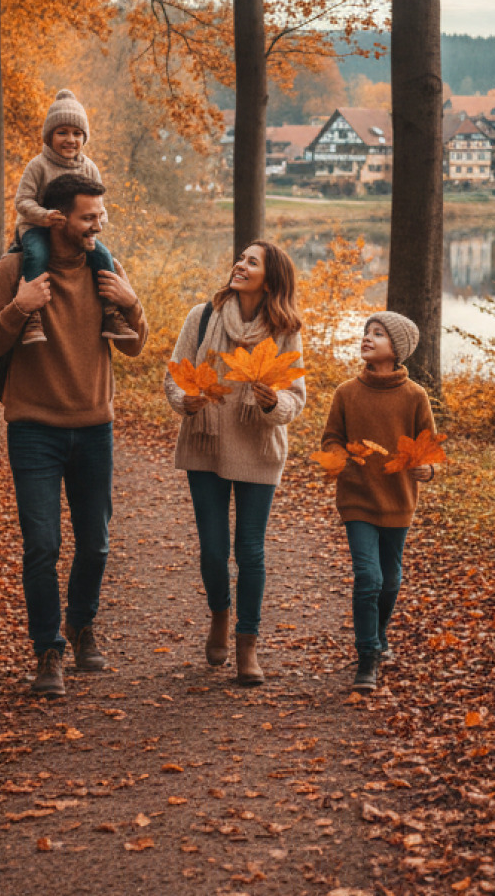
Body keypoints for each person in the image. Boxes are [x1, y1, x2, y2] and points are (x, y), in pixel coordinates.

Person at [0, 172, 148, 697]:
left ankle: (81, 624)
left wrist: (133, 302)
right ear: (60, 219)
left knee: (95, 546)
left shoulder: (105, 268)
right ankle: (48, 652)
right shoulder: (14, 270)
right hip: (34, 430)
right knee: (42, 547)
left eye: (100, 216)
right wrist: (19, 307)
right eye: (88, 217)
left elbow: (135, 346)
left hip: (95, 428)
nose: (98, 226)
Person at [163, 241, 307, 686]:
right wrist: (184, 401)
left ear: (271, 277)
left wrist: (272, 403)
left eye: (251, 262)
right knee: (212, 549)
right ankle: (220, 616)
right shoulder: (201, 317)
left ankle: (248, 643)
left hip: (258, 449)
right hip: (205, 443)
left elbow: (295, 399)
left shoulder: (284, 328)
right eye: (240, 259)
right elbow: (175, 375)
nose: (239, 266)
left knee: (249, 550)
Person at [318, 312, 437, 693]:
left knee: (390, 581)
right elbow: (331, 439)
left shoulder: (415, 396)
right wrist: (339, 458)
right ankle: (367, 655)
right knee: (368, 577)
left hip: (399, 499)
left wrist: (428, 470)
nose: (368, 338)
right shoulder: (346, 393)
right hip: (357, 498)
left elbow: (429, 448)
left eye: (379, 334)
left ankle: (379, 634)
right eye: (367, 331)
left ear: (396, 348)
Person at [13, 89, 117, 346]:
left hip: (78, 232)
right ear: (49, 136)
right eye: (62, 132)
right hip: (38, 227)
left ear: (84, 137)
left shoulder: (89, 168)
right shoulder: (38, 165)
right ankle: (32, 315)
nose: (70, 139)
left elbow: (100, 206)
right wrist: (45, 216)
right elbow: (22, 201)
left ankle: (112, 312)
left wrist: (97, 224)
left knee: (103, 257)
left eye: (77, 133)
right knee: (37, 255)